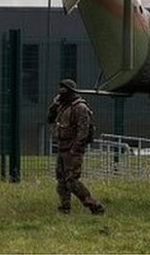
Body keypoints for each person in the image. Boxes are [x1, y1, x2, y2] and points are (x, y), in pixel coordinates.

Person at [46, 79, 104, 215]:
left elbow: (83, 130)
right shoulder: (61, 105)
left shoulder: (80, 108)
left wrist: (76, 148)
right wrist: (54, 105)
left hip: (73, 149)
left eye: (64, 91)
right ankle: (64, 208)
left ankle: (94, 206)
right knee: (61, 181)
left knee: (72, 181)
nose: (61, 94)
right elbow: (49, 118)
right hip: (62, 147)